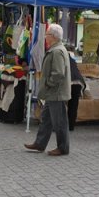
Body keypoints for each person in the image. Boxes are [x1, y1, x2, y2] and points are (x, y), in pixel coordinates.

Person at [24, 24, 71, 156]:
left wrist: (49, 84)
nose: (45, 37)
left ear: (54, 37)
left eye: (47, 34)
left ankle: (63, 148)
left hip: (56, 93)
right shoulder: (56, 49)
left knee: (59, 122)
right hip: (53, 93)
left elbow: (58, 73)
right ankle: (40, 144)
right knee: (46, 119)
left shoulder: (57, 51)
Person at [67, 46, 86, 131]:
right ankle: (71, 126)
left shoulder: (61, 56)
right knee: (73, 105)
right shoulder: (73, 59)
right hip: (78, 82)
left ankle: (61, 125)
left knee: (61, 104)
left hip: (68, 82)